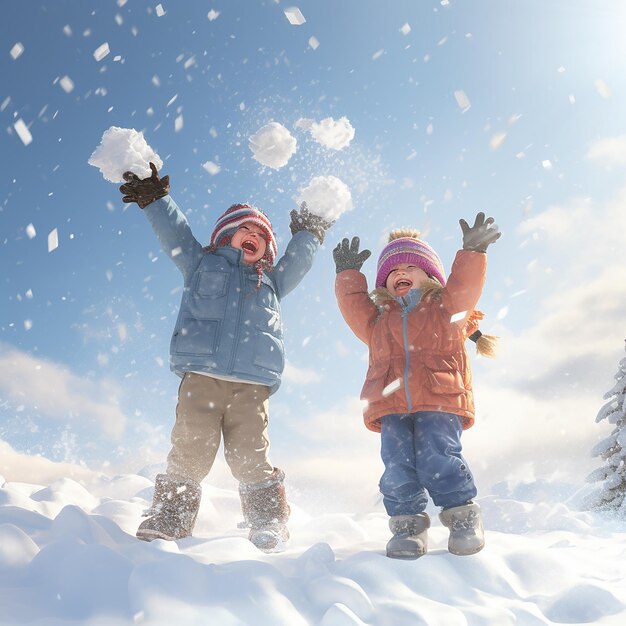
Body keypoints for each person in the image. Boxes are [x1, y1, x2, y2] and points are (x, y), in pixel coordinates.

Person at [118, 163, 332, 552]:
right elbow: (175, 234)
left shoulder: (271, 280)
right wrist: (155, 199)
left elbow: (298, 261)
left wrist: (309, 233)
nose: (253, 236)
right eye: (243, 231)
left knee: (250, 454)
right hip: (201, 375)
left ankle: (268, 520)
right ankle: (171, 516)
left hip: (252, 382)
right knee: (190, 446)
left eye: (261, 236)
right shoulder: (200, 263)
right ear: (223, 237)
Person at [333, 213, 500, 559]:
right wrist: (347, 275)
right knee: (397, 466)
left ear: (432, 276)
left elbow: (464, 287)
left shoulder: (446, 310)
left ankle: (462, 518)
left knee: (438, 457)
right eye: (393, 271)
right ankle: (407, 525)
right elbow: (354, 308)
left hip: (439, 398)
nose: (400, 274)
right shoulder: (378, 322)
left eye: (411, 267)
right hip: (392, 405)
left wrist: (472, 252)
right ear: (384, 284)